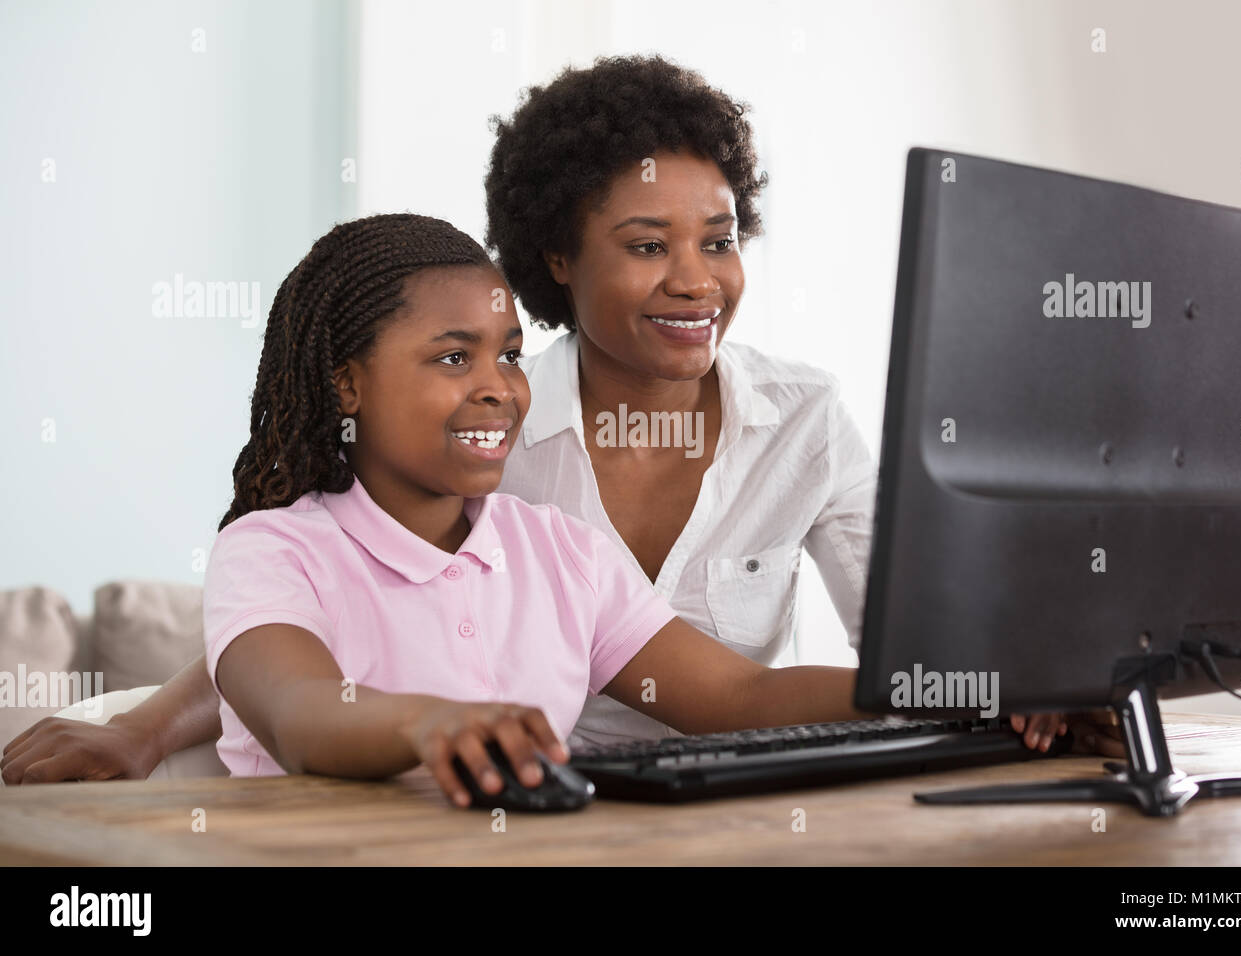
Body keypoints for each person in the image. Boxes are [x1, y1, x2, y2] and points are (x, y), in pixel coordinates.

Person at [1, 58, 1120, 787]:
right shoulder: (418, 479)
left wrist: (998, 684)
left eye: (718, 238)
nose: (696, 280)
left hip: (660, 803)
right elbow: (287, 670)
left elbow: (754, 688)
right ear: (557, 260)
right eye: (645, 245)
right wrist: (147, 727)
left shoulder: (596, 529)